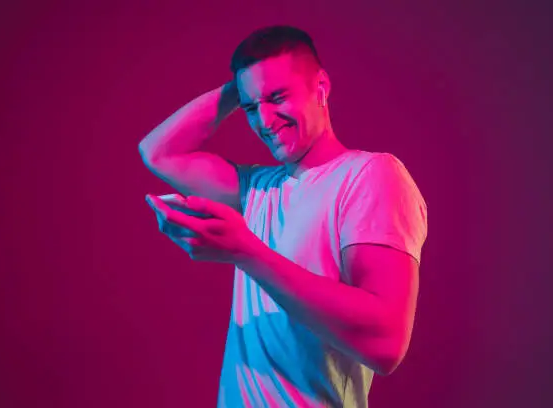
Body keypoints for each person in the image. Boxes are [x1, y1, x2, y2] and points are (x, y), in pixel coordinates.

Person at [140, 25, 427, 408]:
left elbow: (387, 343)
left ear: (320, 86)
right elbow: (159, 152)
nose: (265, 120)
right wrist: (242, 89)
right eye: (251, 108)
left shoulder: (371, 175)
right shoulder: (260, 187)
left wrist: (246, 252)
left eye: (277, 97)